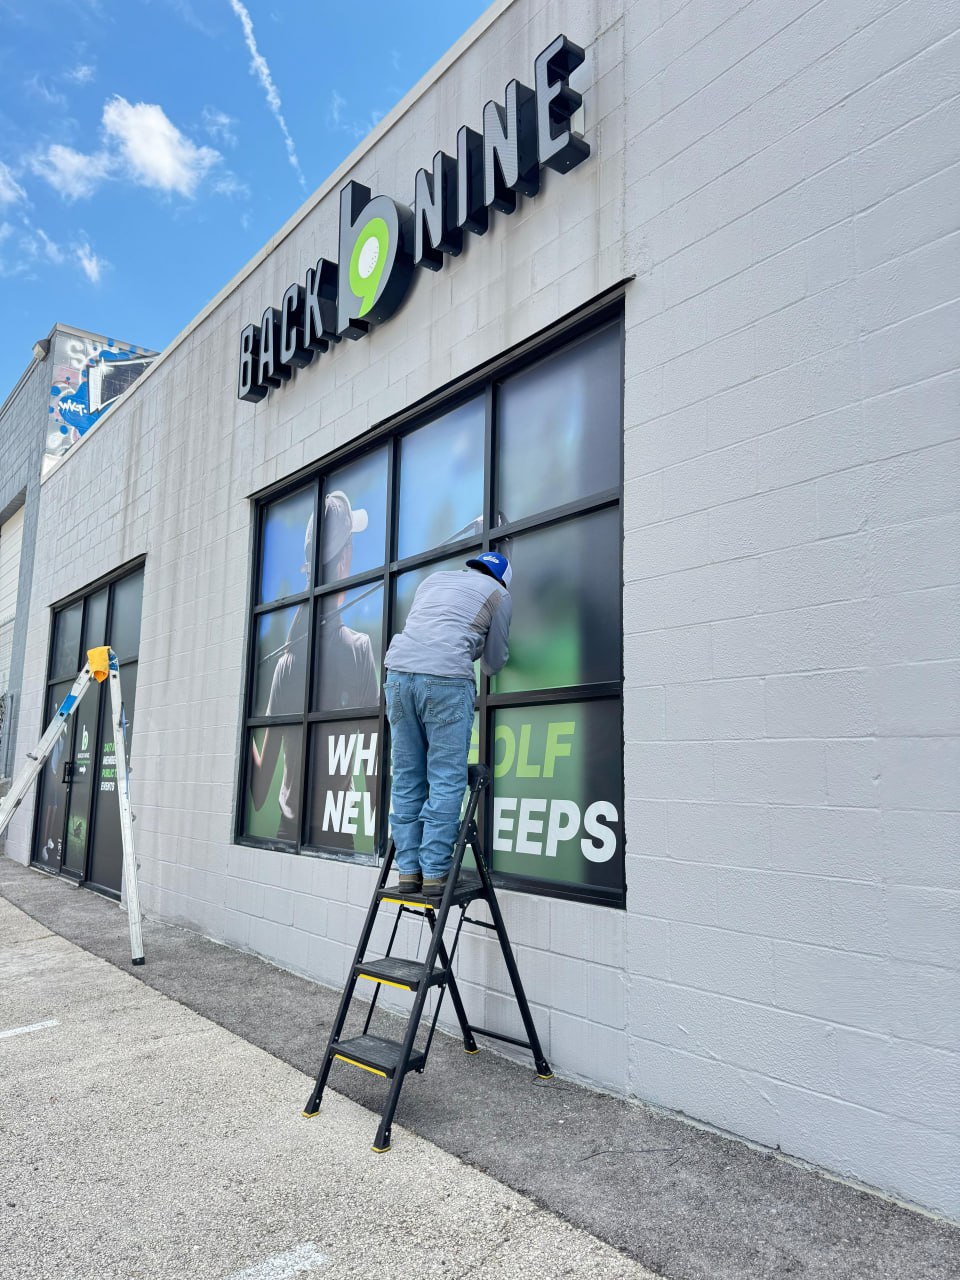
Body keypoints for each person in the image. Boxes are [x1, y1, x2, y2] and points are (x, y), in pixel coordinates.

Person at [383, 550, 512, 896]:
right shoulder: (500, 594)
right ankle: (435, 873)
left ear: (472, 568)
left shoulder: (433, 580)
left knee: (407, 775)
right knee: (445, 776)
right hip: (446, 679)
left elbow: (423, 629)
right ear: (502, 579)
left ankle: (408, 871)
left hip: (397, 676)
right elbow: (493, 662)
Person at [250, 490, 376, 843]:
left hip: (286, 835)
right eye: (351, 548)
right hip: (338, 835)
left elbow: (259, 792)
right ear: (344, 562)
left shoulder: (286, 664)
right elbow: (374, 774)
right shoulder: (359, 650)